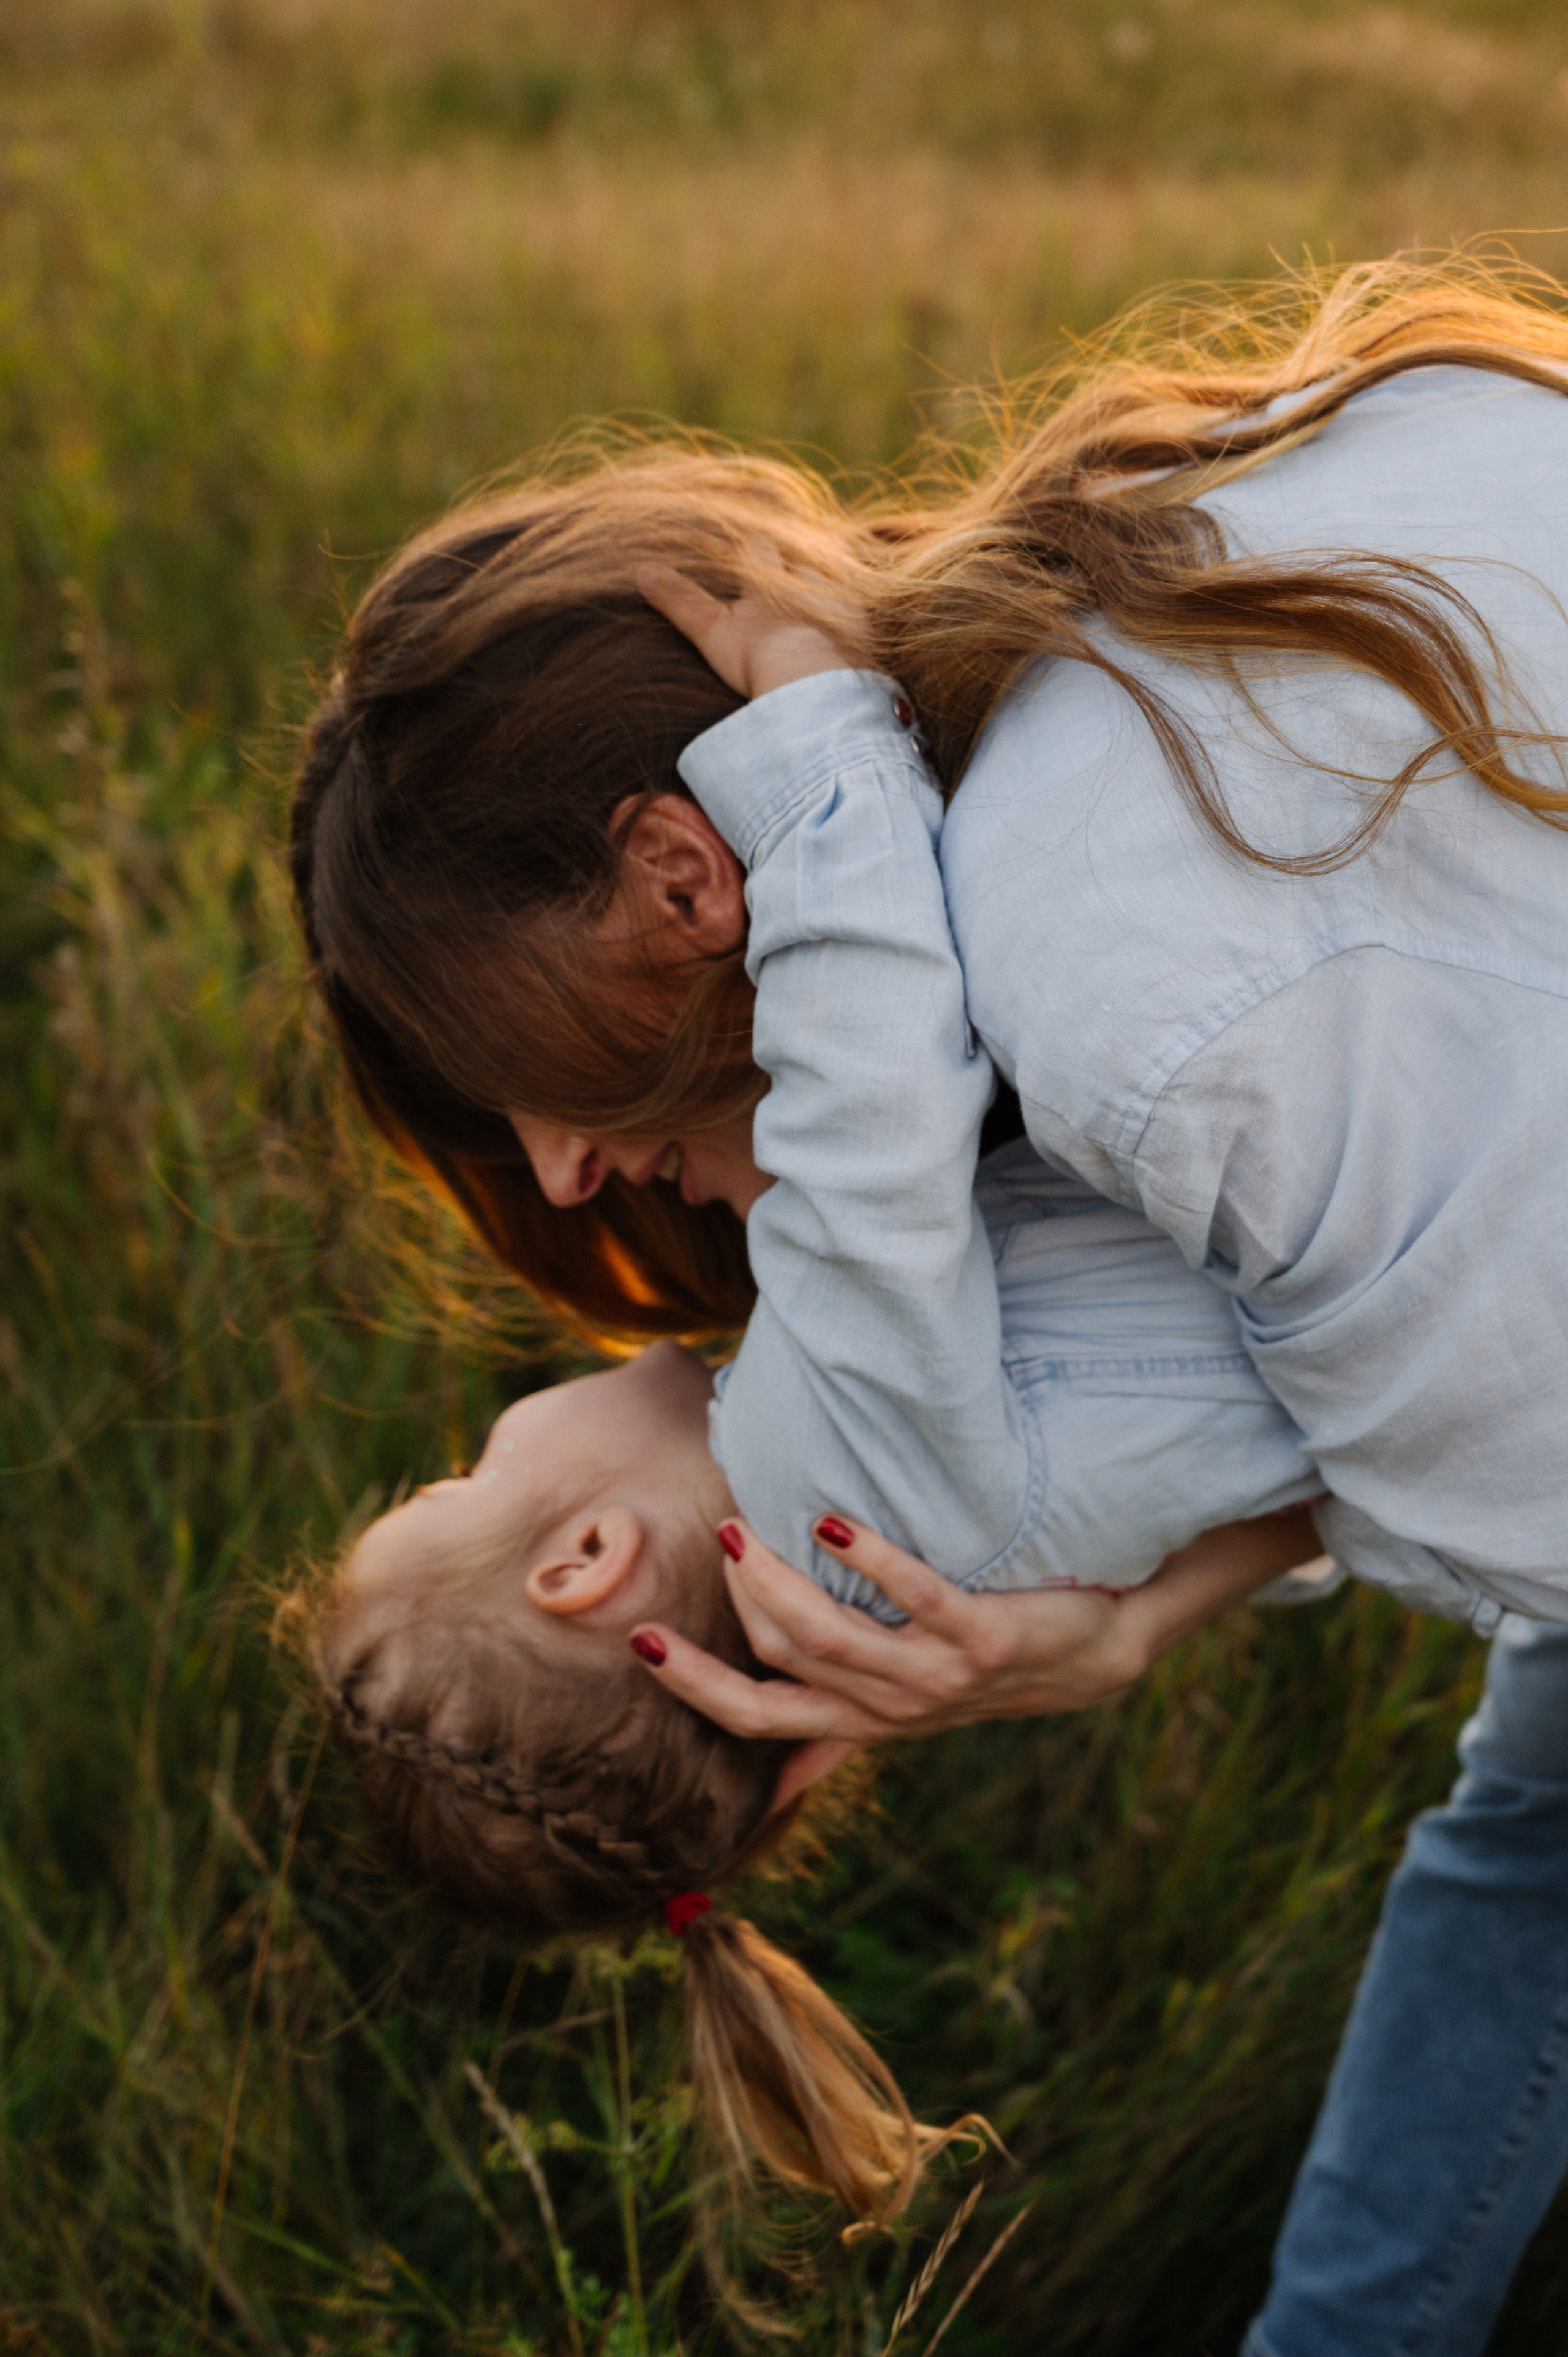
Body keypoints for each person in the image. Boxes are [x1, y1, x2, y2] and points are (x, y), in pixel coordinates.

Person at [292, 255, 1568, 2351]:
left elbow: (1488, 1477)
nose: (562, 1180)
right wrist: (812, 724)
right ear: (592, 1559)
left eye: (529, 1084)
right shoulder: (822, 1468)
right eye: (461, 1474)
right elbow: (878, 1107)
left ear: (684, 888)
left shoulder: (1114, 999)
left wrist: (1154, 1614)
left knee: (1527, 1819)